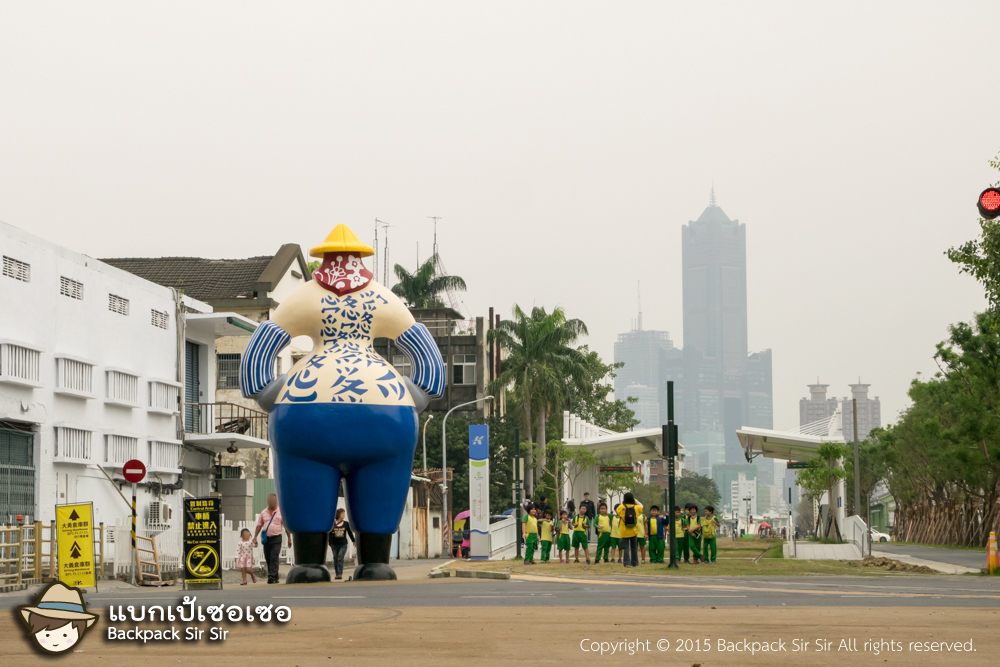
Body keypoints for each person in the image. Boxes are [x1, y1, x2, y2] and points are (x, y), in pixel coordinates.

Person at [253, 493, 292, 584]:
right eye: (269, 500)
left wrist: (289, 539)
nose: (270, 502)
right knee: (268, 557)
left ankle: (272, 576)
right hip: (267, 538)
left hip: (277, 538)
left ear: (276, 501)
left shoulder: (281, 512)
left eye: (272, 500)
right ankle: (275, 576)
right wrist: (255, 537)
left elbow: (285, 526)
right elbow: (259, 525)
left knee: (273, 556)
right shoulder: (263, 513)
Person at [615, 492, 643, 568]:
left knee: (626, 548)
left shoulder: (621, 507)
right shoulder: (636, 507)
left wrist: (623, 503)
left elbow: (617, 510)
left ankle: (627, 563)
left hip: (624, 531)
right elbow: (642, 506)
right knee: (634, 547)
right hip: (634, 531)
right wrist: (635, 500)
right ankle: (635, 563)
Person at [328, 508, 356, 580]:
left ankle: (340, 573)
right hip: (334, 544)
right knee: (336, 559)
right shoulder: (333, 524)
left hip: (343, 544)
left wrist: (354, 541)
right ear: (338, 514)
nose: (344, 515)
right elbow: (330, 533)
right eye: (342, 513)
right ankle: (337, 573)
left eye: (344, 513)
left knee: (340, 558)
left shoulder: (346, 524)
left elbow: (350, 533)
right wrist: (329, 541)